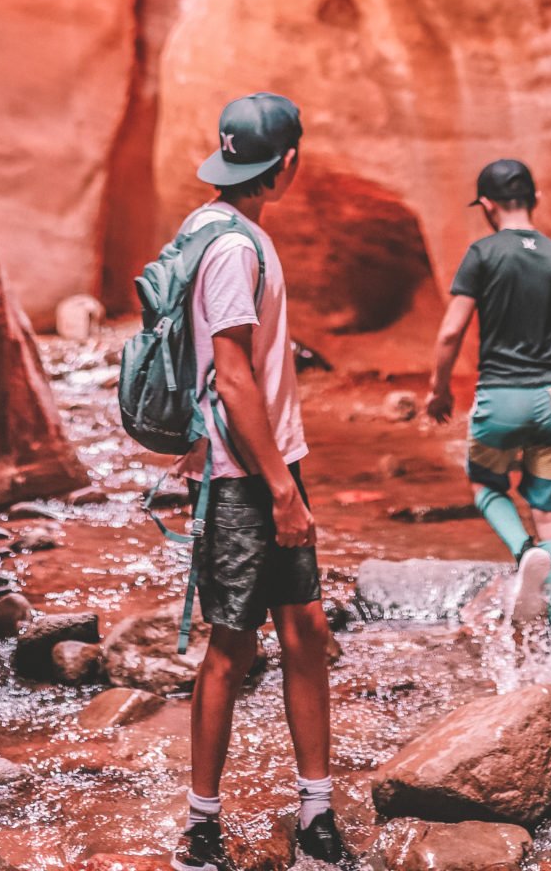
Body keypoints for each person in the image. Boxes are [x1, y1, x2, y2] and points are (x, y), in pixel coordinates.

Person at [172, 92, 349, 871]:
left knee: (304, 632)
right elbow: (233, 373)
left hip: (262, 460)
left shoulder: (215, 230)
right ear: (286, 163)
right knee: (231, 647)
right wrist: (281, 489)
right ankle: (200, 829)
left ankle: (316, 810)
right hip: (249, 472)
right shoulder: (234, 248)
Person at [425, 157, 551, 637]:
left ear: (486, 205)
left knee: (486, 486)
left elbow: (451, 331)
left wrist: (439, 389)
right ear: (534, 199)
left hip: (501, 396)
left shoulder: (482, 254)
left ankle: (524, 553)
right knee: (550, 509)